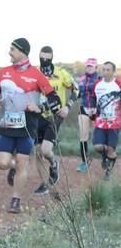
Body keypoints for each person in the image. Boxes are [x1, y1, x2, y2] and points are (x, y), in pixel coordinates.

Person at [0, 38, 61, 214]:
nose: (9, 52)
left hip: (27, 127)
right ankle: (11, 168)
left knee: (23, 163)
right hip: (7, 125)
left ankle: (16, 200)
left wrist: (40, 107)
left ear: (22, 52)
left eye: (12, 49)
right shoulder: (3, 72)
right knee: (2, 162)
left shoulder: (36, 74)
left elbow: (55, 100)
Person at [32, 46, 78, 195]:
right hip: (38, 115)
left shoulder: (61, 73)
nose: (44, 61)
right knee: (38, 152)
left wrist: (67, 107)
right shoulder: (35, 73)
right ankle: (44, 184)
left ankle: (53, 163)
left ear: (52, 58)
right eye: (41, 58)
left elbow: (76, 89)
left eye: (47, 59)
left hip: (55, 115)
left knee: (45, 150)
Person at [91, 61, 121, 180]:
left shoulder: (118, 84)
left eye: (108, 70)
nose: (105, 72)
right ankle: (104, 156)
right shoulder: (97, 84)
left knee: (111, 150)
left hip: (115, 123)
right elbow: (93, 98)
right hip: (100, 122)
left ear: (113, 72)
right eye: (104, 69)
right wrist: (93, 109)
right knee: (98, 146)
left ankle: (108, 172)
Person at [77, 58, 100, 172]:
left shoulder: (100, 79)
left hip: (97, 110)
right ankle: (84, 161)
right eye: (88, 66)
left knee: (99, 138)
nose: (89, 68)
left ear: (96, 68)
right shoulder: (81, 79)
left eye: (91, 66)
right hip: (84, 108)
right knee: (83, 136)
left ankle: (106, 160)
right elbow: (77, 93)